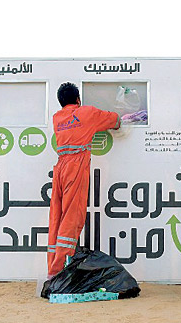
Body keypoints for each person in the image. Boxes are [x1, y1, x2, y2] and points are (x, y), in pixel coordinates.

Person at [48, 82, 120, 277]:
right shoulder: (87, 113)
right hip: (75, 167)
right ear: (78, 99)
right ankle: (59, 271)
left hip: (60, 168)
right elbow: (115, 121)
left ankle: (52, 268)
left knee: (57, 216)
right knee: (73, 217)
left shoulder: (57, 118)